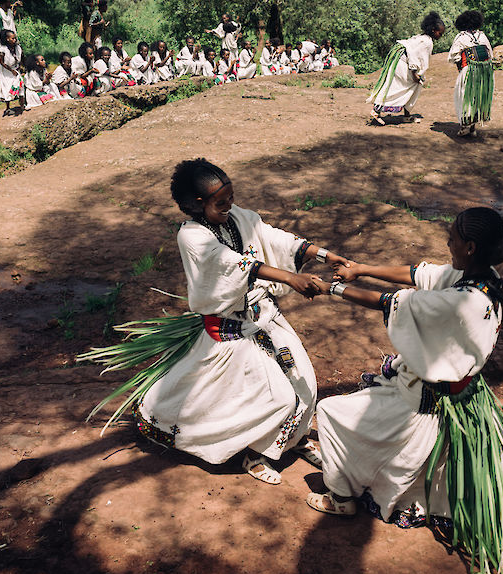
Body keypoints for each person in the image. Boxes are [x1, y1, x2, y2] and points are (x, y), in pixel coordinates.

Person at [306, 207, 503, 574]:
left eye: (453, 237)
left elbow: (393, 301)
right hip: (465, 398)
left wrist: (334, 288)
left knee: (330, 412)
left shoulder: (457, 303)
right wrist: (360, 268)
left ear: (470, 246)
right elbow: (418, 274)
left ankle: (341, 498)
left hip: (423, 401)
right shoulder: (484, 280)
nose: (447, 241)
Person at [133, 159, 350, 484]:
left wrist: (322, 254)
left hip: (265, 318)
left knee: (303, 380)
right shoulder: (191, 237)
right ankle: (255, 454)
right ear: (197, 203)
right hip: (230, 333)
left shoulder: (239, 218)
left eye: (231, 198)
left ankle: (295, 438)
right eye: (221, 203)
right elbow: (229, 263)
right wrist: (290, 278)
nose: (230, 206)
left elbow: (274, 238)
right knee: (271, 396)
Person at [367, 12, 445, 126]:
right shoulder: (427, 42)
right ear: (433, 30)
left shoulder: (422, 37)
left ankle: (407, 116)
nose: (440, 36)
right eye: (440, 33)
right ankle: (376, 110)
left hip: (400, 60)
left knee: (408, 85)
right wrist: (414, 73)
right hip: (404, 63)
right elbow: (414, 55)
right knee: (399, 87)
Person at [449, 10, 493, 138]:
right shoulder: (482, 36)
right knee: (478, 97)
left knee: (464, 96)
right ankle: (473, 128)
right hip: (484, 71)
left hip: (468, 70)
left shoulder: (461, 37)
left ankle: (464, 127)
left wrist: (460, 68)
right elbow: (489, 53)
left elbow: (454, 56)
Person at [0, 29, 25, 116]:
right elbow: (1, 62)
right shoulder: (3, 50)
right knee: (7, 89)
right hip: (6, 72)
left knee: (21, 86)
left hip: (15, 70)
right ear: (7, 39)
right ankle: (8, 108)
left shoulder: (17, 48)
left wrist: (21, 67)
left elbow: (22, 58)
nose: (14, 40)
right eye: (12, 38)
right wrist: (11, 70)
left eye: (15, 38)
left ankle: (22, 106)